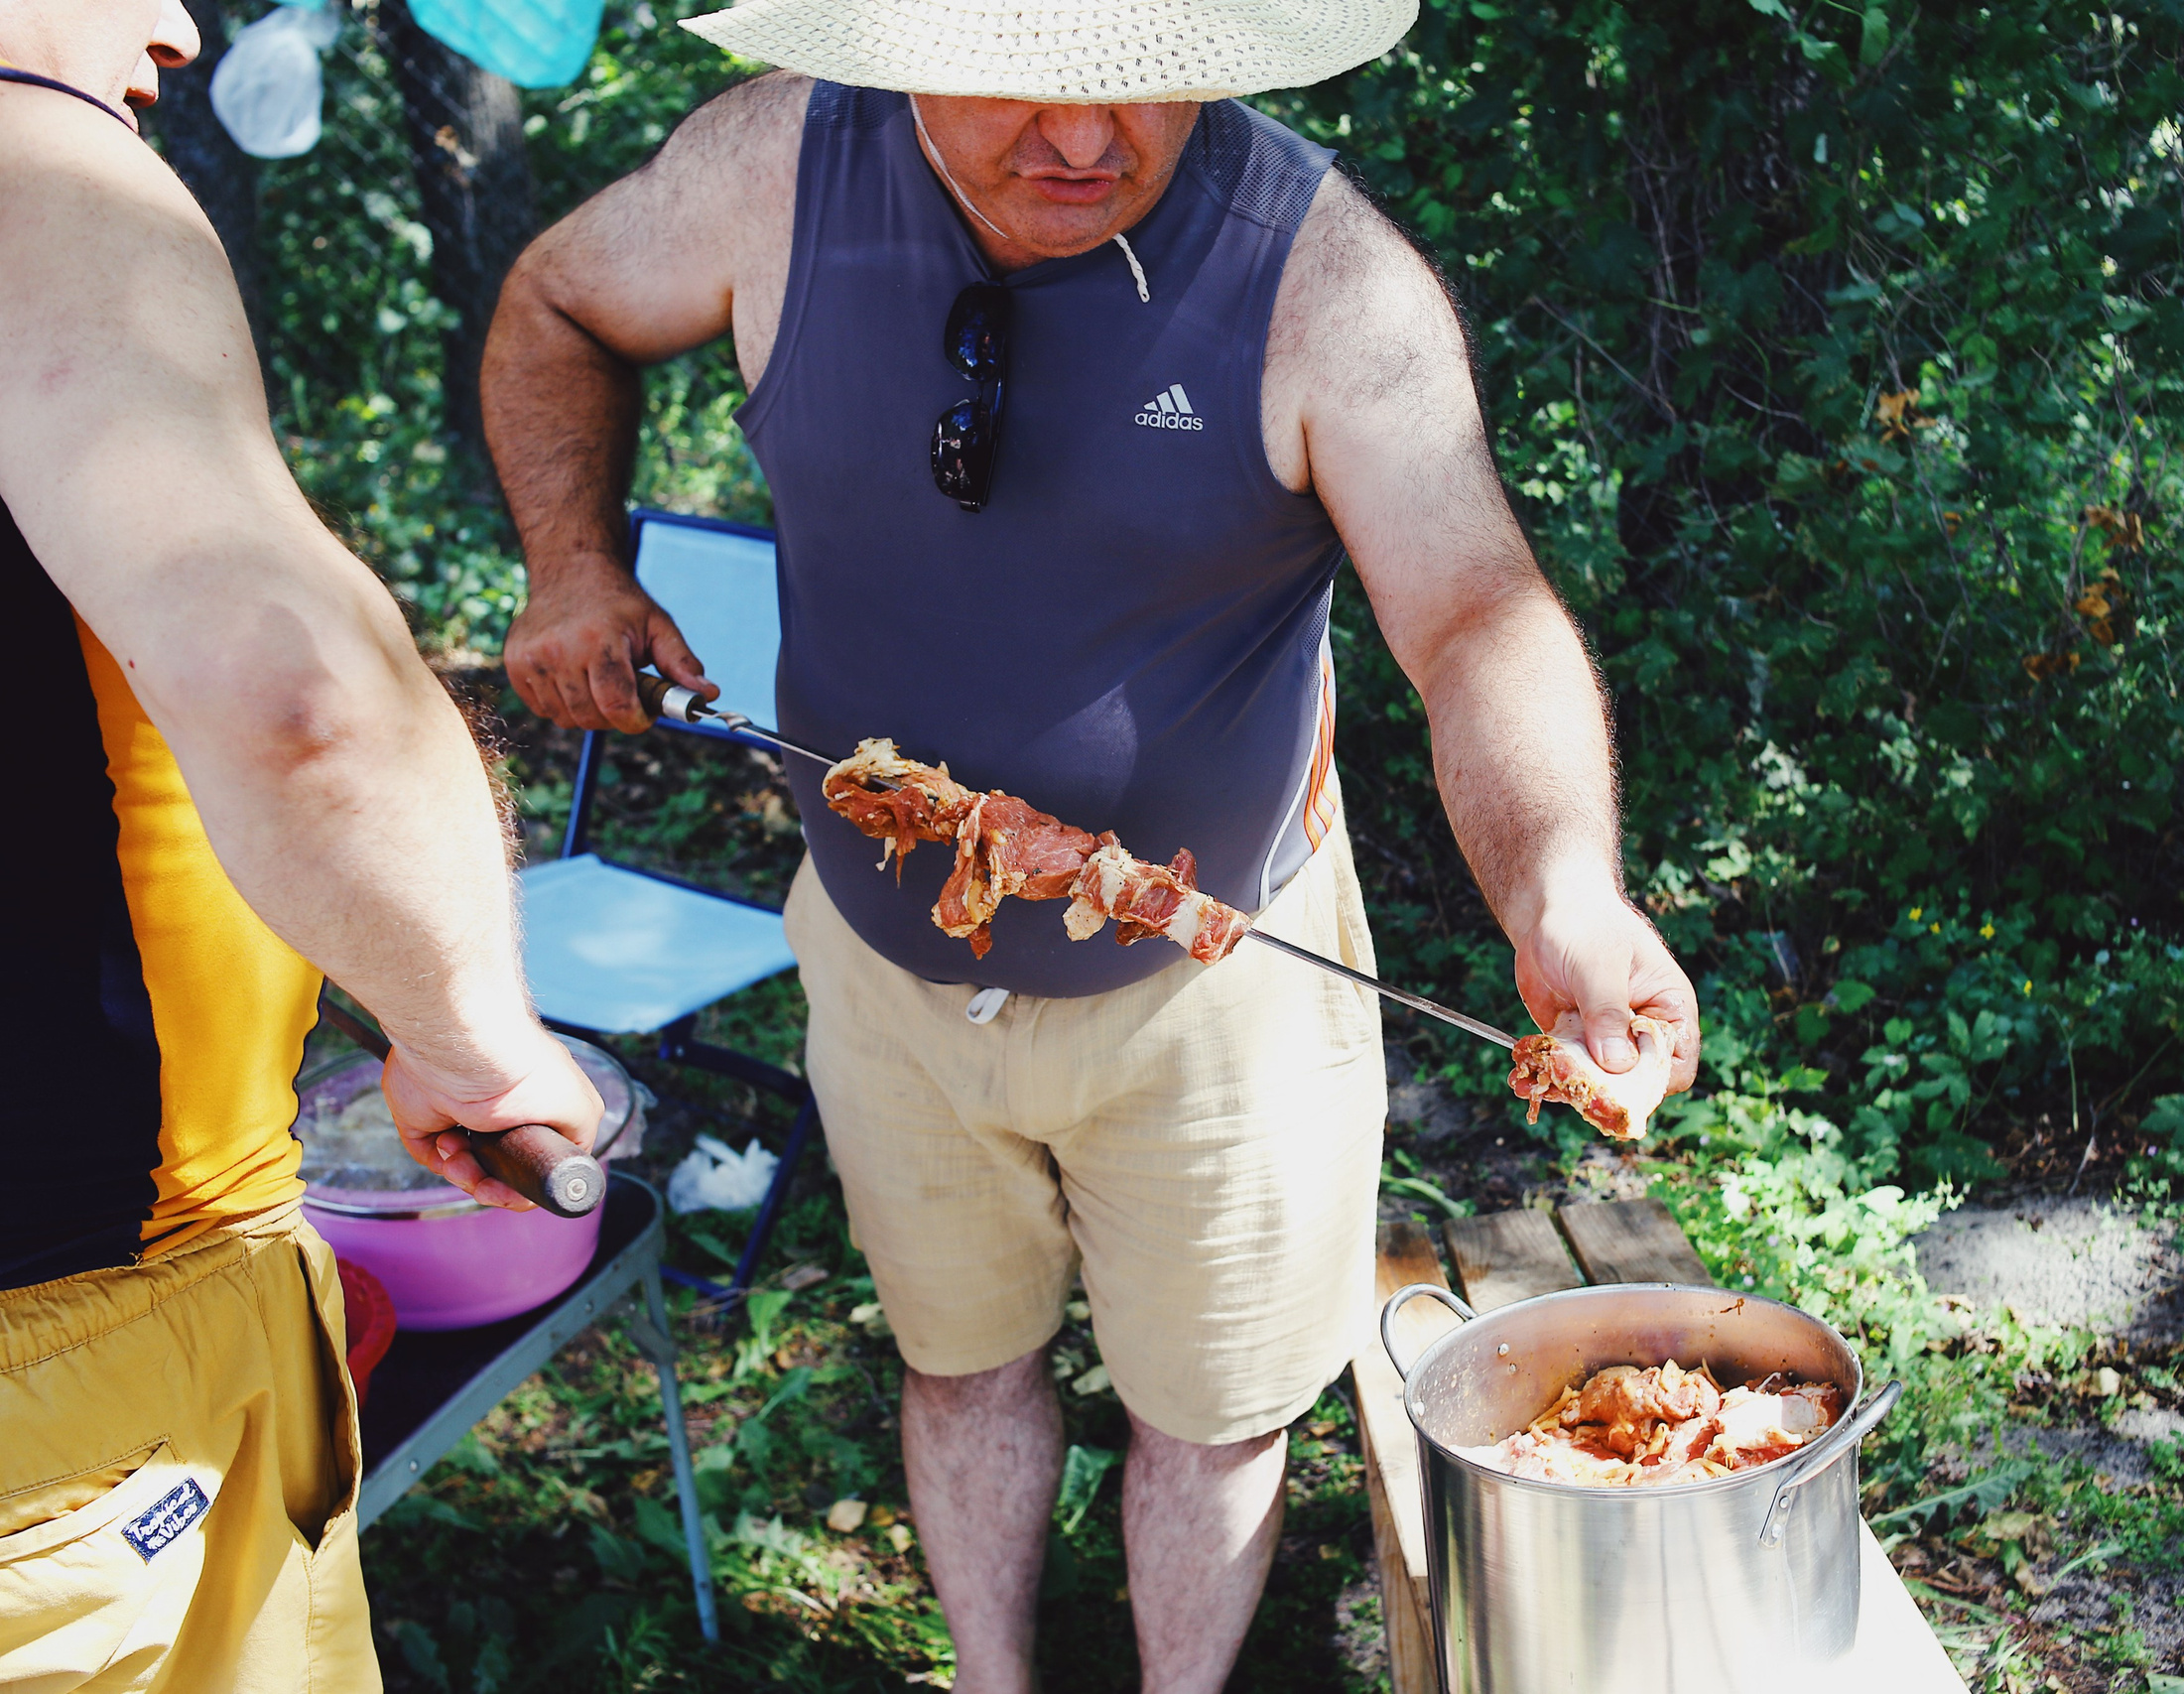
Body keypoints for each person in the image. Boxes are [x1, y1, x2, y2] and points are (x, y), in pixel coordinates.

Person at [487, 0, 1700, 1685]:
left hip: (1220, 990)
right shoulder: (778, 168)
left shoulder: (1324, 281)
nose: (1082, 140)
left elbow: (1477, 617)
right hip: (885, 969)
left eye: (1140, 81)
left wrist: (1562, 883)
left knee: (1213, 1416)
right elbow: (556, 300)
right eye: (1020, 82)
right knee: (960, 1364)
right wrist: (571, 563)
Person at [0, 3, 603, 1687]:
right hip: (84, 1356)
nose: (176, 28)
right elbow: (296, 694)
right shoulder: (32, 173)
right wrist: (473, 1040)